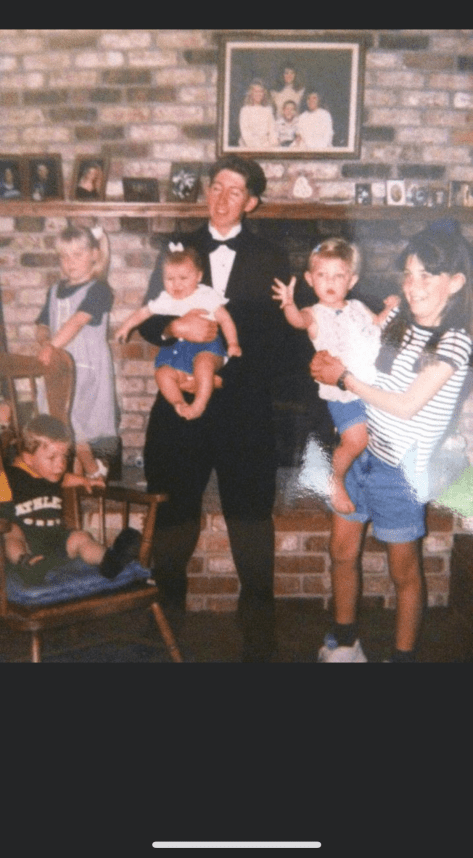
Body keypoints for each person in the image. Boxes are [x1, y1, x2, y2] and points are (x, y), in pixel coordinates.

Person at [139, 156, 290, 661]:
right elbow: (149, 318)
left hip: (242, 408)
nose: (222, 198)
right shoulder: (178, 246)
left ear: (251, 202)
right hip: (181, 401)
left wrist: (225, 376)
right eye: (217, 187)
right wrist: (173, 329)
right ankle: (165, 624)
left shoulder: (271, 256)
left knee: (250, 512)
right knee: (173, 507)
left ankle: (259, 633)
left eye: (235, 191)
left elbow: (278, 338)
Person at [310, 221, 473, 663]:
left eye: (427, 276)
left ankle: (401, 662)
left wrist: (343, 378)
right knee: (341, 552)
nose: (412, 286)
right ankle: (346, 644)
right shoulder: (400, 323)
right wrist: (327, 362)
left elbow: (406, 405)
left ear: (455, 282)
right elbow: (363, 363)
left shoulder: (455, 342)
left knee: (404, 572)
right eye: (408, 274)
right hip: (363, 452)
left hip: (401, 472)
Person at [272, 237, 399, 514]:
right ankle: (335, 480)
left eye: (338, 276)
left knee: (375, 442)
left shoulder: (358, 307)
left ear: (351, 281)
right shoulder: (314, 313)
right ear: (309, 279)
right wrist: (288, 304)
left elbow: (378, 326)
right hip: (343, 393)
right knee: (357, 440)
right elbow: (297, 321)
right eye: (322, 275)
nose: (330, 282)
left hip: (372, 388)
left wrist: (390, 309)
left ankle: (367, 485)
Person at [1, 415, 141, 585]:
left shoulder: (52, 475)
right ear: (29, 458)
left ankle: (110, 561)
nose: (60, 464)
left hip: (57, 541)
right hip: (28, 544)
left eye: (64, 457)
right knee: (12, 533)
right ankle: (27, 565)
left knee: (81, 537)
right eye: (52, 458)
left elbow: (66, 478)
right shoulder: (10, 477)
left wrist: (86, 480)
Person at [116, 245, 242, 420]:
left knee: (204, 366)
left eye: (183, 278)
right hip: (176, 351)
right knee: (162, 374)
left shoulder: (206, 295)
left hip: (207, 348)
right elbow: (143, 313)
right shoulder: (165, 299)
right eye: (170, 279)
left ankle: (199, 404)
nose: (176, 284)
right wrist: (126, 327)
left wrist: (233, 343)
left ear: (198, 276)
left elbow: (225, 319)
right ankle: (178, 403)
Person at [36, 223, 118, 482]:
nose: (69, 262)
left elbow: (77, 321)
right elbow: (42, 324)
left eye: (77, 255)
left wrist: (52, 346)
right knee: (58, 418)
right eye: (64, 256)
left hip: (86, 366)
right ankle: (79, 478)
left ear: (94, 254)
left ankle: (93, 470)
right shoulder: (54, 290)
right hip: (57, 364)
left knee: (74, 419)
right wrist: (44, 342)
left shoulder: (99, 289)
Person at [238, 79, 278, 149]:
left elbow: (272, 130)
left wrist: (272, 144)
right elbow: (245, 132)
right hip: (249, 146)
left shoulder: (268, 110)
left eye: (261, 92)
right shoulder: (245, 110)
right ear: (251, 93)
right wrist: (256, 146)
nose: (258, 94)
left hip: (266, 146)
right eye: (256, 92)